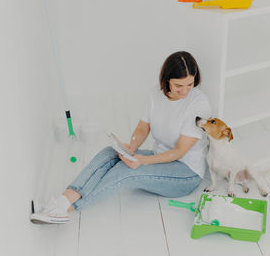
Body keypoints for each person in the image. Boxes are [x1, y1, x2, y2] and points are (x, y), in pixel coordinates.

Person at [31, 51, 211, 224]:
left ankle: (66, 210)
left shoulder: (198, 103)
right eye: (179, 85)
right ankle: (61, 202)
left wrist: (143, 161)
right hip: (160, 159)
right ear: (167, 81)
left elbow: (180, 152)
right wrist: (131, 148)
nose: (185, 90)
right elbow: (142, 129)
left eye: (190, 84)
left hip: (186, 173)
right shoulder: (156, 94)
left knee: (127, 172)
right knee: (110, 153)